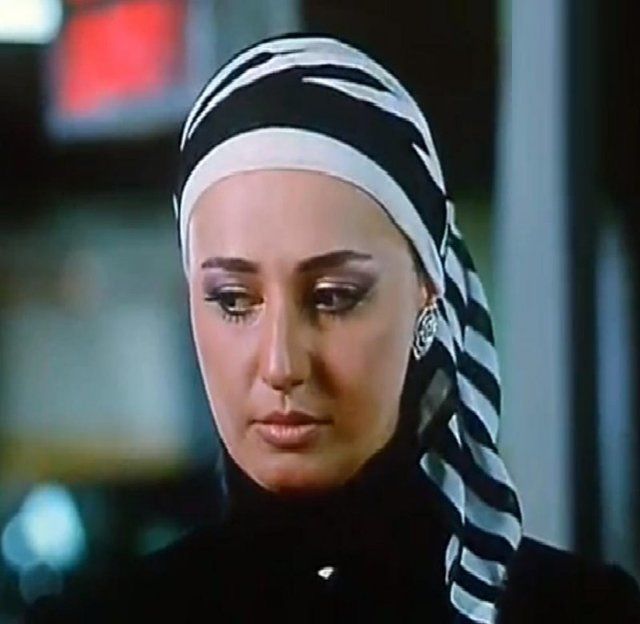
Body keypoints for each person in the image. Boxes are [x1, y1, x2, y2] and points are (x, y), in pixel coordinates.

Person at [26, 33, 640, 624]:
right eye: (233, 300)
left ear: (428, 293)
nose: (281, 364)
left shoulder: (581, 611)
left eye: (333, 297)